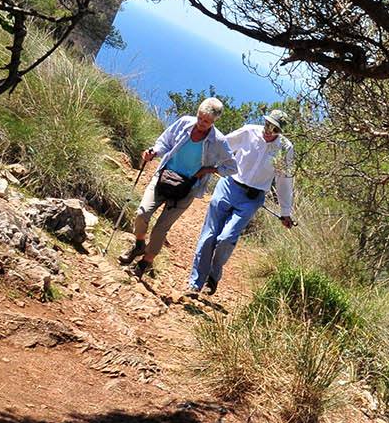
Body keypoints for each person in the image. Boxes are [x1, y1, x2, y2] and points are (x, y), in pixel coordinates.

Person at [119, 97, 236, 277]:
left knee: (161, 228)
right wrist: (154, 152)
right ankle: (139, 244)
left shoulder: (218, 141)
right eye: (200, 117)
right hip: (163, 177)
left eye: (206, 121)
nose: (201, 123)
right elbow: (164, 141)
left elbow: (232, 167)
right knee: (142, 213)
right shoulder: (184, 123)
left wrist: (209, 169)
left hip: (187, 188)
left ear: (214, 121)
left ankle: (145, 263)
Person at [188, 110, 296, 296]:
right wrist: (203, 163)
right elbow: (223, 146)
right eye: (268, 124)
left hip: (251, 198)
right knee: (209, 235)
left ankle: (213, 276)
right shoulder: (249, 131)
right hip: (228, 185)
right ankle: (196, 283)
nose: (269, 130)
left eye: (275, 129)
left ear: (281, 131)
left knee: (226, 238)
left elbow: (284, 179)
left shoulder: (285, 148)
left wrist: (285, 211)